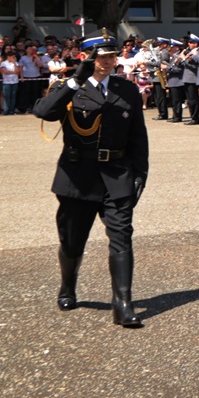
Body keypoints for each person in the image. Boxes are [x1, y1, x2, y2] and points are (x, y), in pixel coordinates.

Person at [31, 32, 150, 326]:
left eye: (112, 56)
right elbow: (43, 112)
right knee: (72, 240)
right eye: (103, 57)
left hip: (117, 174)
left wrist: (141, 173)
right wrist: (74, 81)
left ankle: (123, 303)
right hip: (78, 177)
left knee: (122, 237)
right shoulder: (69, 88)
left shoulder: (127, 89)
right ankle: (68, 286)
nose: (110, 62)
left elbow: (138, 135)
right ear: (87, 58)